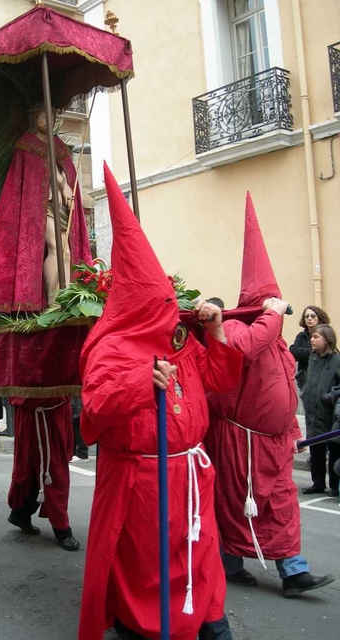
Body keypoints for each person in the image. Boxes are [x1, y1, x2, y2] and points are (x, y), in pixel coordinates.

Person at [78, 164, 244, 640]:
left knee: (203, 572)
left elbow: (214, 378)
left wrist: (214, 335)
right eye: (157, 304)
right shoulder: (109, 348)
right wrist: (141, 381)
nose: (168, 312)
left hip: (190, 479)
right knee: (148, 590)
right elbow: (95, 411)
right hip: (142, 489)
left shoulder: (177, 339)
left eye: (167, 302)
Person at [205, 192, 334, 598]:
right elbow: (242, 351)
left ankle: (294, 573)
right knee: (234, 503)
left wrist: (287, 432)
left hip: (272, 442)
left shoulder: (273, 334)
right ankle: (229, 562)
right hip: (239, 441)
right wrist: (273, 314)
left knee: (281, 505)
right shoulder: (238, 328)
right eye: (272, 300)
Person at [0, 103, 92, 313]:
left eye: (52, 115)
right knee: (56, 248)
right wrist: (56, 187)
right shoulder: (26, 146)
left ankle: (65, 296)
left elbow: (63, 172)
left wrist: (67, 187)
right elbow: (26, 183)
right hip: (39, 210)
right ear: (35, 117)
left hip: (60, 205)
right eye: (45, 115)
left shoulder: (58, 146)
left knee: (67, 251)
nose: (50, 119)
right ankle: (54, 302)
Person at [7, 396, 80, 551]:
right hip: (32, 408)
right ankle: (61, 529)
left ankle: (21, 513)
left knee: (51, 468)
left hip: (53, 407)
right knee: (35, 468)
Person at [301, 324, 340, 497]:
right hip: (312, 410)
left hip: (329, 412)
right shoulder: (313, 358)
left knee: (333, 449)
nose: (312, 340)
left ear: (327, 339)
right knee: (315, 448)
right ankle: (317, 483)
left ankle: (333, 485)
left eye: (316, 337)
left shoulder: (337, 360)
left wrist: (330, 396)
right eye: (312, 336)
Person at [289, 306, 331, 390]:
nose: (309, 318)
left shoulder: (327, 334)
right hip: (305, 379)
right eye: (306, 316)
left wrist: (303, 352)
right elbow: (293, 352)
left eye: (313, 316)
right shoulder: (301, 336)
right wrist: (314, 350)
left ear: (319, 318)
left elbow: (326, 352)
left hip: (323, 379)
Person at [71, 396, 88, 461]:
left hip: (78, 405)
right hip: (77, 403)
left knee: (77, 427)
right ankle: (76, 452)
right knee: (74, 428)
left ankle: (82, 453)